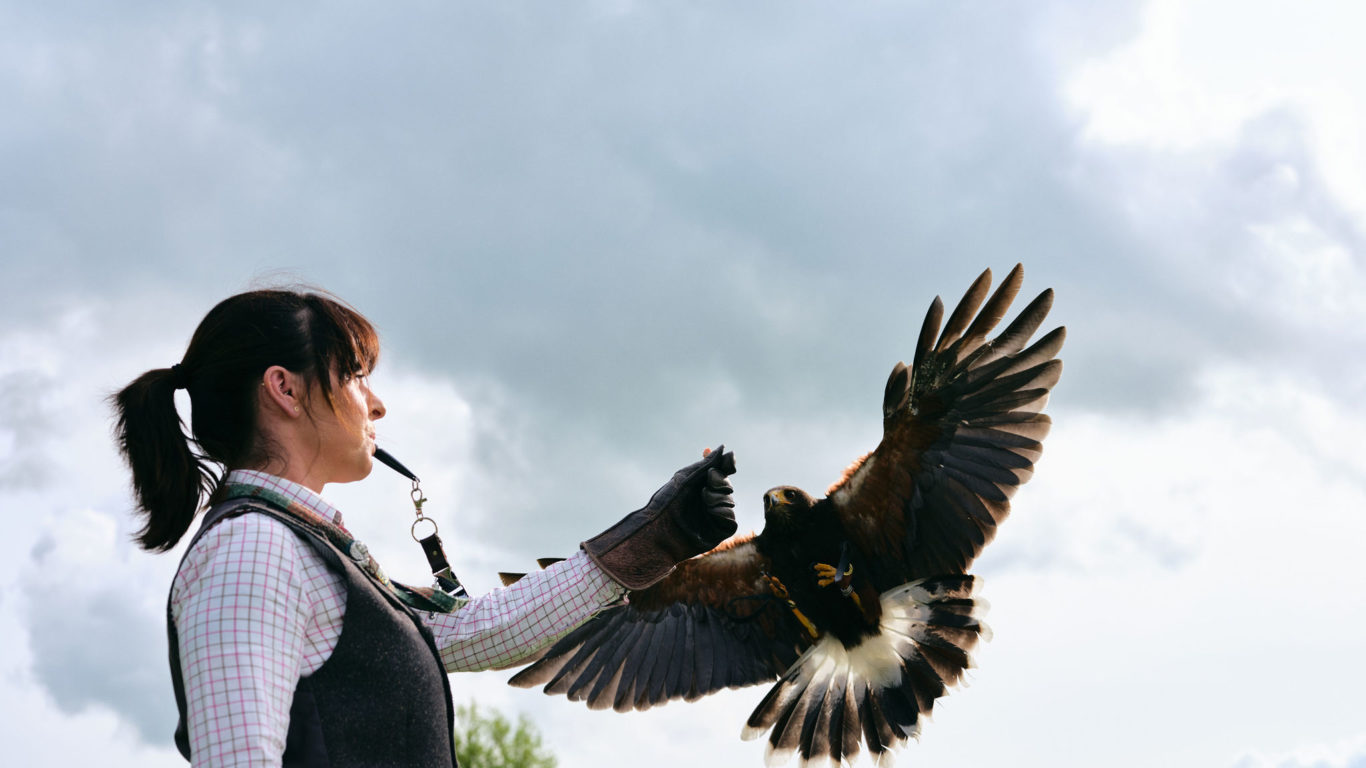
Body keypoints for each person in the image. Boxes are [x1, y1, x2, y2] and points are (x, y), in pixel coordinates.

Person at [111, 288, 738, 767]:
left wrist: (656, 538)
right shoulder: (251, 550)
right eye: (356, 375)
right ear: (285, 389)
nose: (377, 403)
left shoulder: (305, 549)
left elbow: (478, 632)